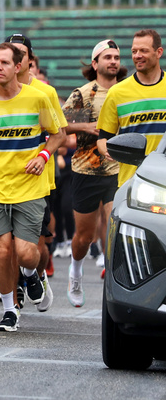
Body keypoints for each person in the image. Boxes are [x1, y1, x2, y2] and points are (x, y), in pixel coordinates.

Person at [0, 43, 64, 332]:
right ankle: (9, 310)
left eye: (4, 62)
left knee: (27, 252)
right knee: (2, 251)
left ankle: (32, 275)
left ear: (19, 66)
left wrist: (43, 156)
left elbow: (58, 135)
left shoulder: (38, 98)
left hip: (29, 185)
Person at [61, 39, 126, 307]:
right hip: (86, 169)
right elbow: (61, 125)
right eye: (107, 57)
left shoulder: (127, 91)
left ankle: (115, 281)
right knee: (84, 237)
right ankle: (75, 271)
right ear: (95, 63)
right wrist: (88, 127)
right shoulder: (84, 93)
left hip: (119, 170)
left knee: (115, 226)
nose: (113, 61)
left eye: (116, 57)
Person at [98, 29, 165, 187]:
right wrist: (107, 150)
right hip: (132, 183)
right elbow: (103, 138)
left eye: (144, 51)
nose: (137, 55)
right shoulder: (117, 92)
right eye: (134, 51)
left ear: (159, 52)